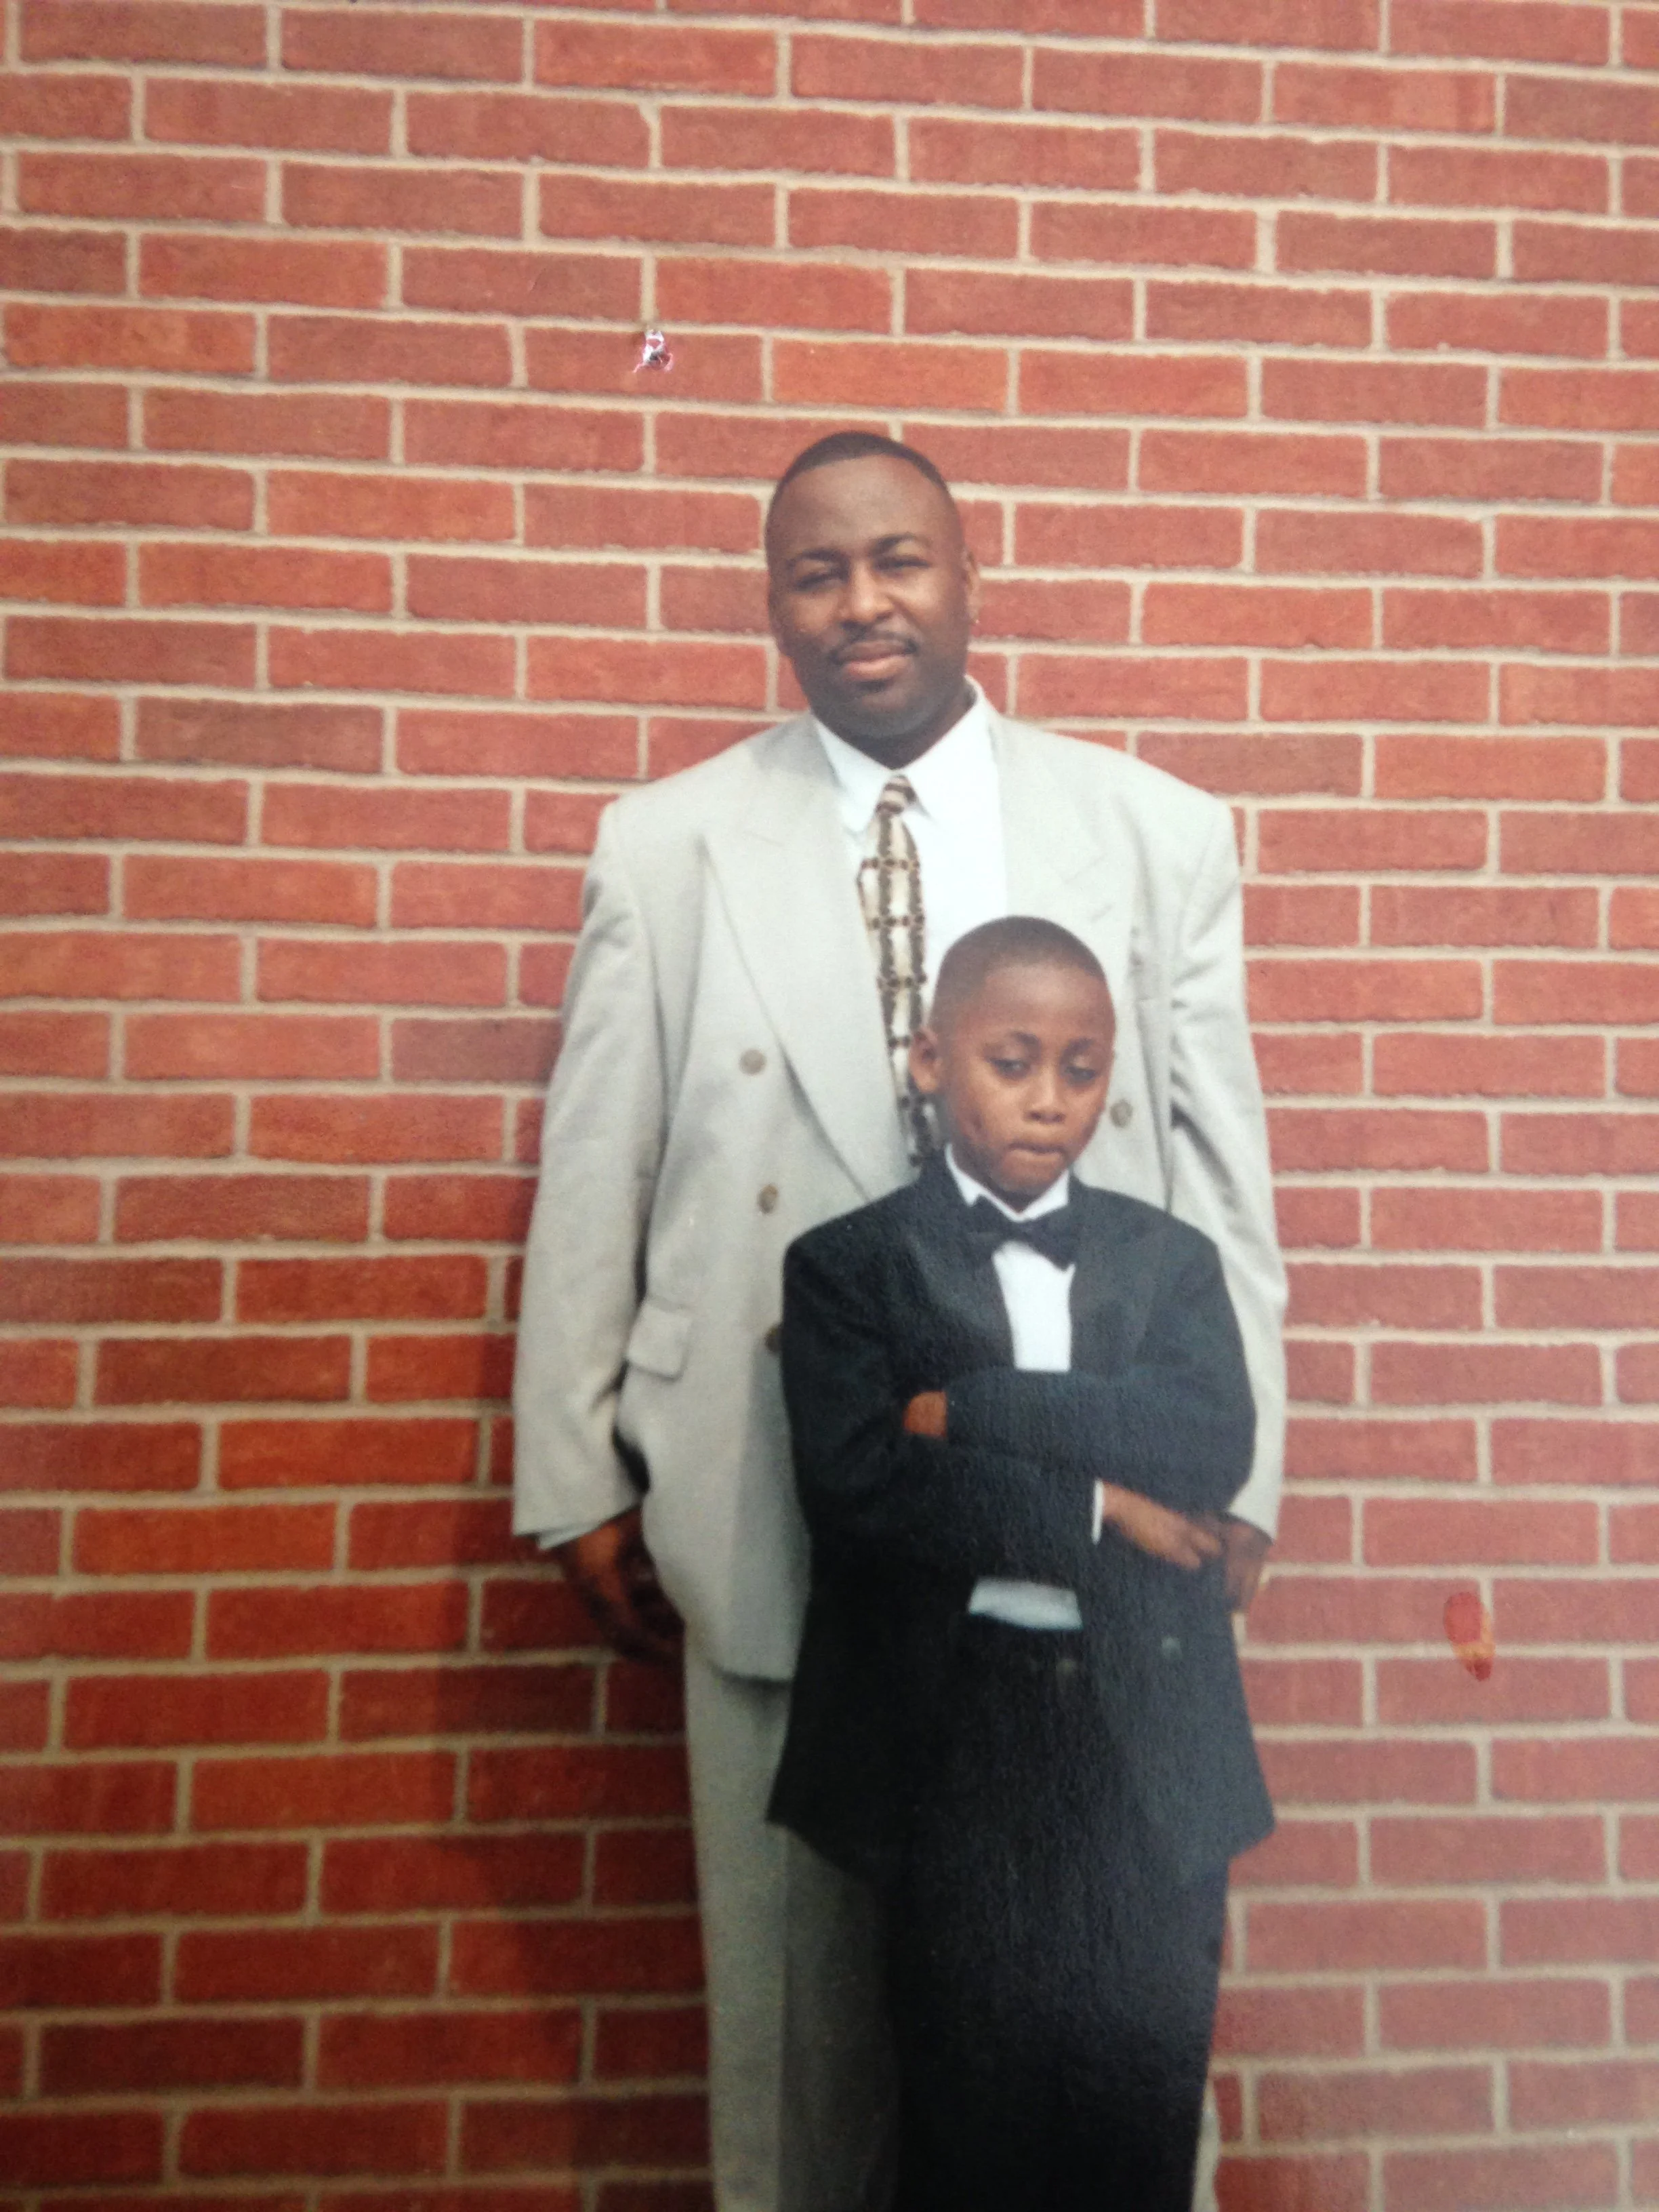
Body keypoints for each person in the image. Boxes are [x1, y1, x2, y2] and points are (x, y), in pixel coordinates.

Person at [512, 430, 1286, 2212]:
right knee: (800, 2046)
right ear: (776, 604)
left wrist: (1255, 1474)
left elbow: (1222, 1172)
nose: (864, 602)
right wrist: (575, 1464)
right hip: (774, 1490)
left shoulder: (1151, 833)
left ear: (966, 574)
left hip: (1087, 1533)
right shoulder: (671, 843)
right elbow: (601, 1158)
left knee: (1092, 2035)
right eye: (817, 572)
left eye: (902, 562)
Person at [771, 917, 1273, 2212]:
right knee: (969, 2114)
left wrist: (980, 1408)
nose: (1050, 1100)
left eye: (1083, 1066)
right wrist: (1102, 1508)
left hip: (1146, 1733)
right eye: (1012, 1060)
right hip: (959, 1732)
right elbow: (867, 1492)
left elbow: (1207, 1435)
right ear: (934, 1058)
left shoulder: (1169, 1263)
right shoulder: (849, 1268)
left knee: (1137, 2114)